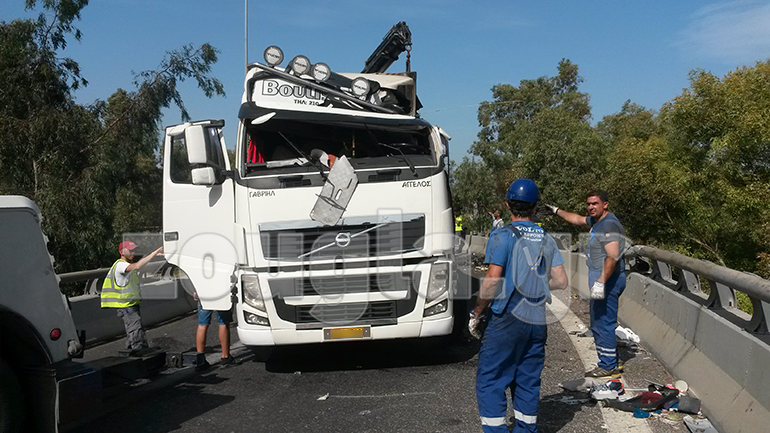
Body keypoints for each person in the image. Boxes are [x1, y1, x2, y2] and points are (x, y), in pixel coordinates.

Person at [472, 179, 568, 433]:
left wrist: (477, 311)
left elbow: (492, 281)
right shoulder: (546, 238)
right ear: (535, 207)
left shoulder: (502, 235)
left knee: (490, 379)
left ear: (507, 204)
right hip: (536, 318)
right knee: (527, 380)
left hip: (506, 319)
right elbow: (561, 280)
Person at [542, 190, 626, 377]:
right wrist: (556, 211)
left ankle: (608, 365)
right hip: (603, 280)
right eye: (588, 204)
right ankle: (610, 360)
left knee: (603, 322)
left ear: (605, 204)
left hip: (608, 282)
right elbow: (577, 219)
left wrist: (600, 282)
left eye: (595, 203)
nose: (590, 207)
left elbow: (612, 256)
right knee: (598, 322)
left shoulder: (609, 225)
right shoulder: (597, 222)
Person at [101, 241, 163, 351]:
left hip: (132, 304)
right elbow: (138, 266)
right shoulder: (120, 265)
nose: (133, 253)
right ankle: (138, 352)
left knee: (135, 329)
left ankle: (132, 352)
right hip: (126, 306)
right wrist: (155, 252)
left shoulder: (126, 265)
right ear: (121, 252)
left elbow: (141, 265)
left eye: (134, 250)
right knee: (135, 329)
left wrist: (154, 257)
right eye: (130, 250)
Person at [195, 291, 239, 368]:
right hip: (221, 294)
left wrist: (196, 291)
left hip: (204, 293)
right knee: (223, 323)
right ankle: (225, 356)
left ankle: (200, 359)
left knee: (202, 325)